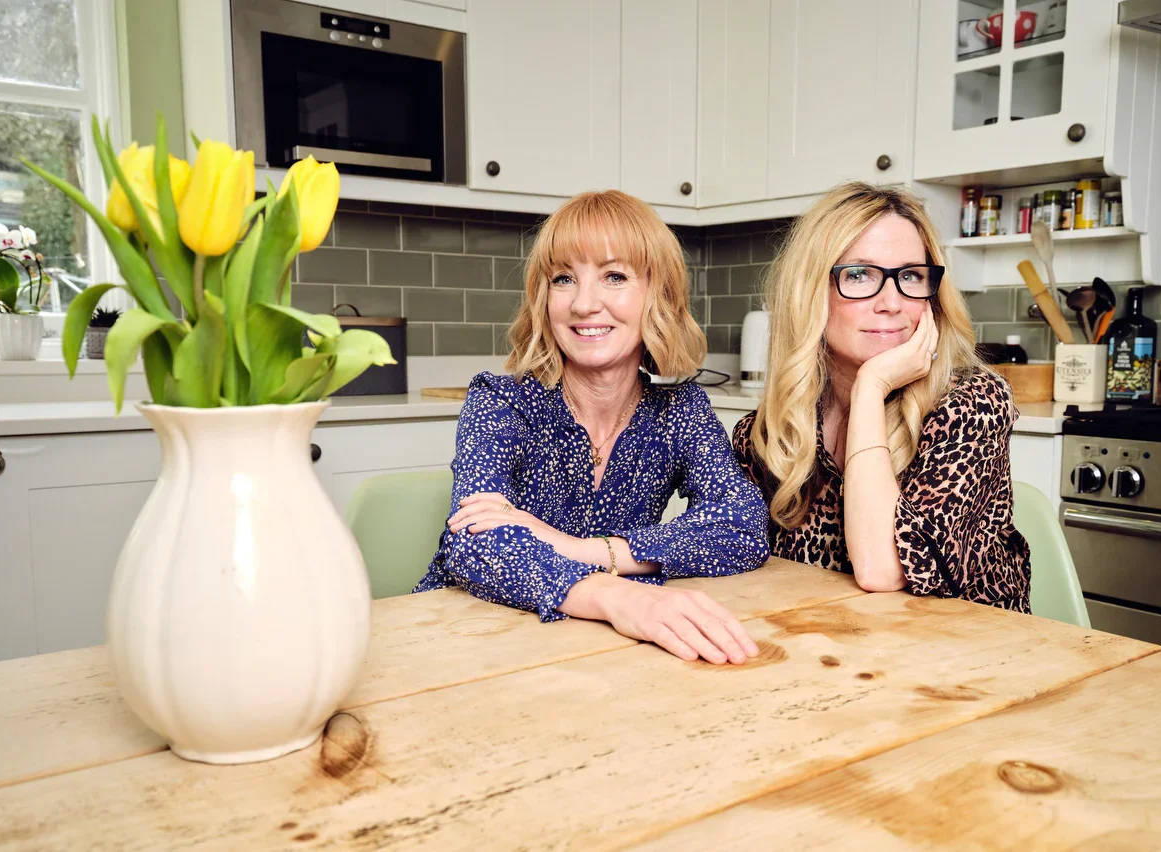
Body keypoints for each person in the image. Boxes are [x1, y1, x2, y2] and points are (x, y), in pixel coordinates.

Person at [414, 190, 770, 664]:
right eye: (564, 279)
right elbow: (472, 542)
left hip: (600, 652)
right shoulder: (502, 402)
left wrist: (577, 548)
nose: (584, 304)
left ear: (658, 295)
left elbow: (743, 526)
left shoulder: (680, 410)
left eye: (614, 276)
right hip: (469, 641)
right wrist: (619, 596)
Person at [732, 182, 1030, 611]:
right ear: (809, 291)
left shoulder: (972, 404)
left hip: (963, 646)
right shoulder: (772, 431)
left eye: (910, 276)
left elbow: (883, 570)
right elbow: (729, 549)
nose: (891, 302)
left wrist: (871, 387)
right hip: (824, 637)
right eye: (859, 275)